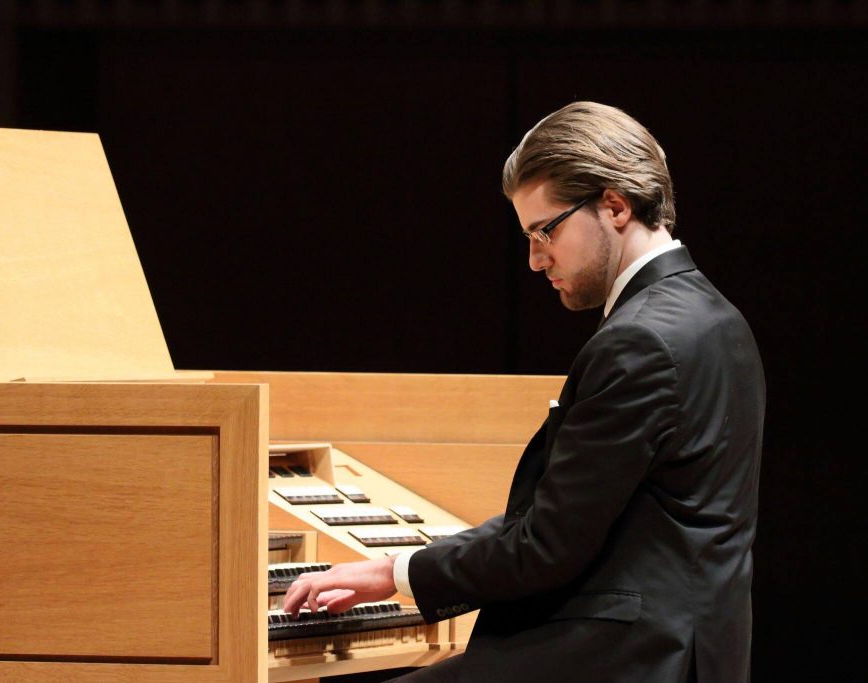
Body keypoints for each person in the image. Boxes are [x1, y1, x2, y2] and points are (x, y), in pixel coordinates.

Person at [283, 101, 766, 683]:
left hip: (621, 656)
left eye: (545, 231)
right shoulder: (717, 318)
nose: (536, 260)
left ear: (615, 205)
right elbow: (572, 519)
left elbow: (546, 546)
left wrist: (395, 575)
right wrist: (401, 566)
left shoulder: (639, 340)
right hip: (687, 650)